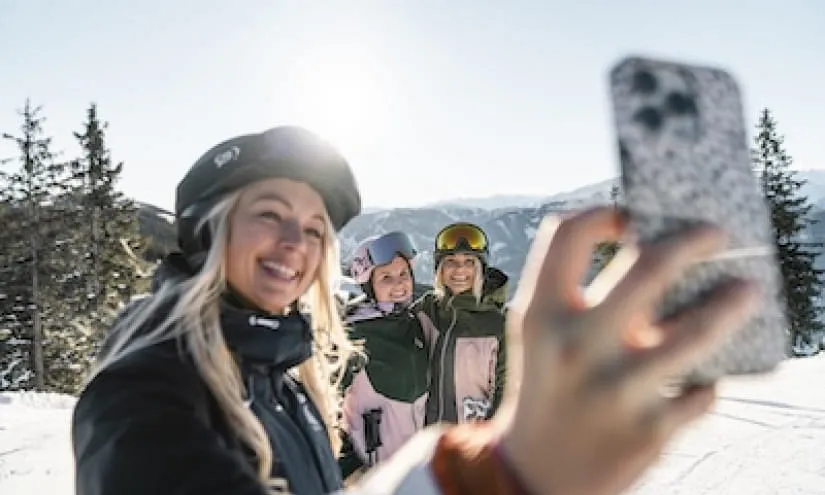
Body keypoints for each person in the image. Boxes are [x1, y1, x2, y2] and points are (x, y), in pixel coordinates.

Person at [71, 124, 761, 495]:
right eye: (270, 215)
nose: (296, 243)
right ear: (208, 227)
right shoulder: (146, 394)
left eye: (314, 227)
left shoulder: (273, 370)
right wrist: (491, 478)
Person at [337, 232, 430, 480]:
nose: (399, 284)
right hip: (376, 476)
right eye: (386, 278)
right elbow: (327, 403)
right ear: (369, 286)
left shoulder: (417, 322)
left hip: (421, 472)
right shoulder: (353, 335)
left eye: (404, 274)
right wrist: (346, 464)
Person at [414, 222, 508, 424]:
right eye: (450, 261)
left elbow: (508, 391)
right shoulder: (427, 309)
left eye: (469, 262)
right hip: (425, 439)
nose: (459, 270)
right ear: (440, 268)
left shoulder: (498, 325)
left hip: (471, 442)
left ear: (480, 268)